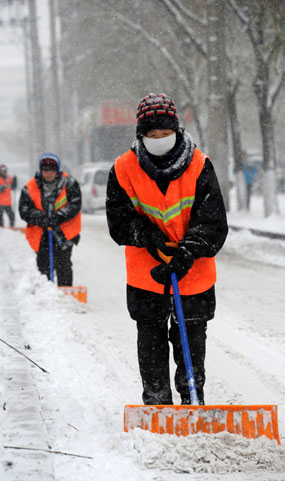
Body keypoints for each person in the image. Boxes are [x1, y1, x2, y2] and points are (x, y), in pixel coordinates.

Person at [106, 93, 228, 405]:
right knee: (151, 342)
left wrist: (186, 252)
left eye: (165, 134)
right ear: (140, 135)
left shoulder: (200, 166)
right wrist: (148, 236)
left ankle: (192, 399)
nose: (159, 140)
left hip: (193, 273)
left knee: (191, 342)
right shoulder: (123, 169)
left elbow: (214, 224)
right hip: (147, 273)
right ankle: (157, 403)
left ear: (176, 131)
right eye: (152, 135)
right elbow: (119, 223)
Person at [19, 152, 81, 286]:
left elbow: (75, 204)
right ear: (40, 170)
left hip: (64, 234)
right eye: (45, 170)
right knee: (43, 266)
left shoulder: (69, 183)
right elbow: (24, 210)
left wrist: (59, 216)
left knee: (63, 264)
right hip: (41, 235)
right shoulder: (30, 187)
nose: (48, 173)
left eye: (51, 170)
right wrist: (42, 218)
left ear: (57, 169)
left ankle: (64, 297)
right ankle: (45, 296)